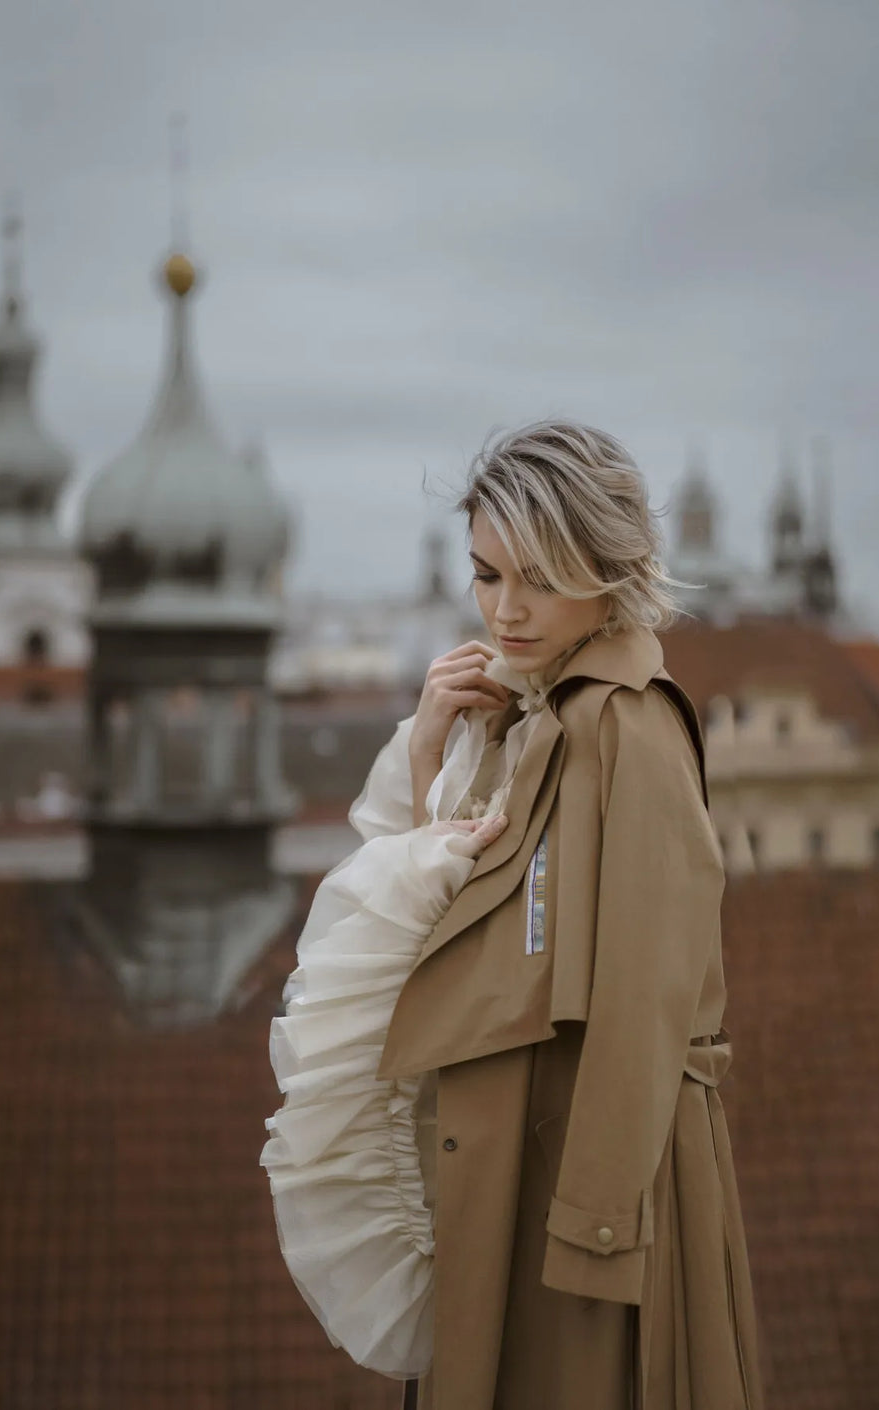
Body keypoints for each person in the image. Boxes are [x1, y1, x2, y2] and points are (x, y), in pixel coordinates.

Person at [262, 420, 765, 1410]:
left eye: (536, 576)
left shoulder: (631, 726)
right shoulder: (533, 713)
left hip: (586, 1187)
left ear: (604, 561)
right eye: (487, 576)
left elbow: (645, 1000)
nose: (505, 608)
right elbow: (466, 936)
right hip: (507, 1173)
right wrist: (428, 765)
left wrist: (595, 1224)